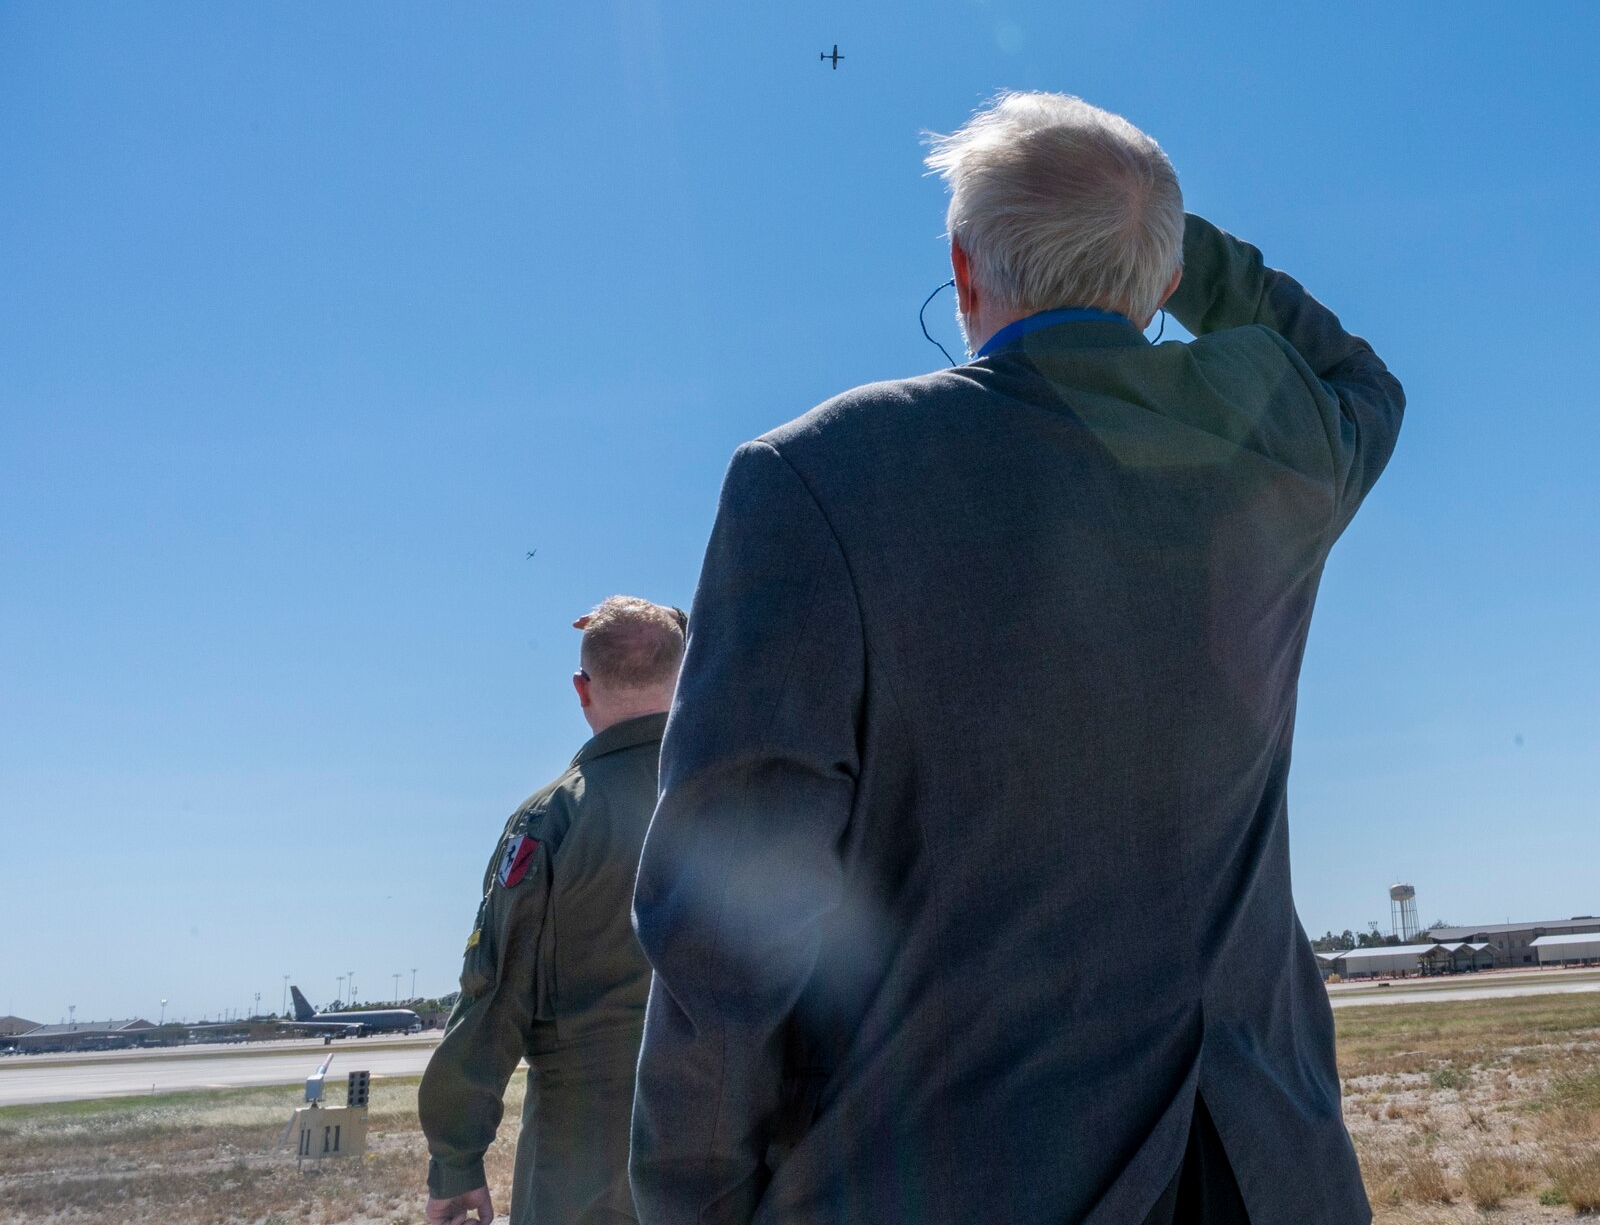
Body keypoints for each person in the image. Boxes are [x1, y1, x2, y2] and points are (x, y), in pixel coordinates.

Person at [630, 92, 1404, 1225]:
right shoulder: (1273, 447)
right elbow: (1360, 382)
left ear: (963, 265)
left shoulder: (818, 477)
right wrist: (1181, 253)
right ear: (1160, 272)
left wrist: (693, 1198)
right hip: (1260, 1173)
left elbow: (729, 923)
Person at [420, 596, 686, 1225]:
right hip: (728, 1137)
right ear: (686, 678)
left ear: (580, 690)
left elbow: (495, 992)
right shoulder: (738, 798)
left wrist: (456, 1160)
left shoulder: (553, 818)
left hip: (581, 1154)